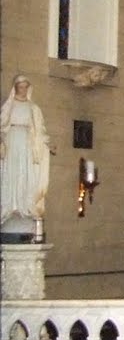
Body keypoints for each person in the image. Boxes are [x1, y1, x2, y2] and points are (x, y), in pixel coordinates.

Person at [0, 75, 51, 235]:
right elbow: (2, 125)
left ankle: (24, 208)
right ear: (15, 88)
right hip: (12, 141)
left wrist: (47, 143)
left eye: (25, 87)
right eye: (20, 87)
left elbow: (40, 130)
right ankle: (11, 208)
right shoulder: (9, 106)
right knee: (12, 174)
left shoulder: (33, 108)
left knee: (26, 174)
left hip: (27, 143)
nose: (23, 90)